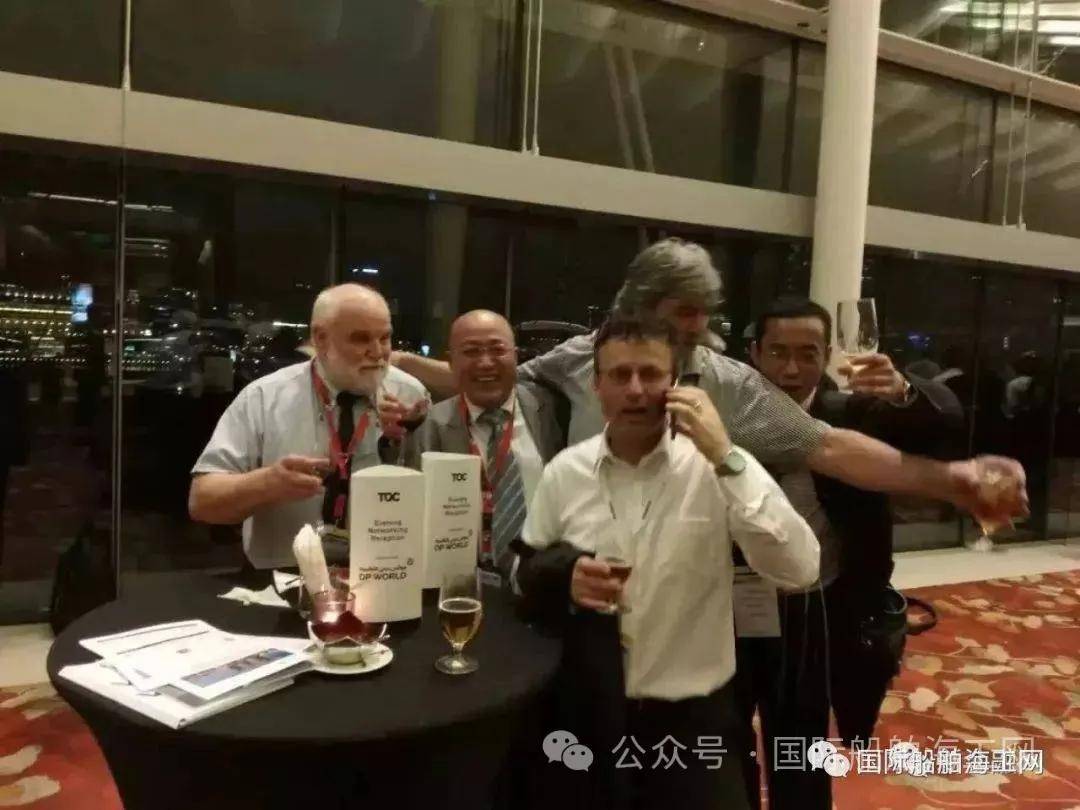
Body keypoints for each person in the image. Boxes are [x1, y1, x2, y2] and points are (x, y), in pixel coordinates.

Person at [392, 238, 1028, 528]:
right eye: (685, 311)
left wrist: (951, 480)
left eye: (705, 312)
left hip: (689, 581)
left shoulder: (729, 383)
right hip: (583, 576)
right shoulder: (577, 359)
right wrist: (391, 366)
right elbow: (486, 383)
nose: (699, 326)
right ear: (640, 306)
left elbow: (829, 446)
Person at [514, 315, 820, 810]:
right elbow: (528, 571)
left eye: (651, 374)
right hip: (590, 714)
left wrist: (725, 455)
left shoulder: (720, 467)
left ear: (675, 384)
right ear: (597, 387)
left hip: (695, 718)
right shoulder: (565, 472)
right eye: (620, 375)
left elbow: (800, 568)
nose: (636, 390)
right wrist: (564, 577)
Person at [735, 297, 964, 810]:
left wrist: (904, 390)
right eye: (778, 352)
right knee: (727, 736)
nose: (791, 369)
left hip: (818, 603)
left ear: (827, 355)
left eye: (808, 353)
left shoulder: (854, 413)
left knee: (800, 738)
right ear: (754, 353)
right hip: (735, 600)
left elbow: (944, 425)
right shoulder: (729, 413)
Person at [188, 284, 429, 569]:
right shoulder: (264, 397)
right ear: (321, 339)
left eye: (385, 338)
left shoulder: (411, 395)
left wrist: (402, 446)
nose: (378, 353)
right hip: (283, 577)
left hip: (385, 573)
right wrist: (267, 484)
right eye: (360, 339)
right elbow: (202, 502)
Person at [407, 310, 563, 583]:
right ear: (451, 362)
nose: (485, 362)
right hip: (458, 584)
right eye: (471, 351)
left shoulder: (553, 410)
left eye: (497, 349)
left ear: (516, 356)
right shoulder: (428, 427)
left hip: (544, 582)